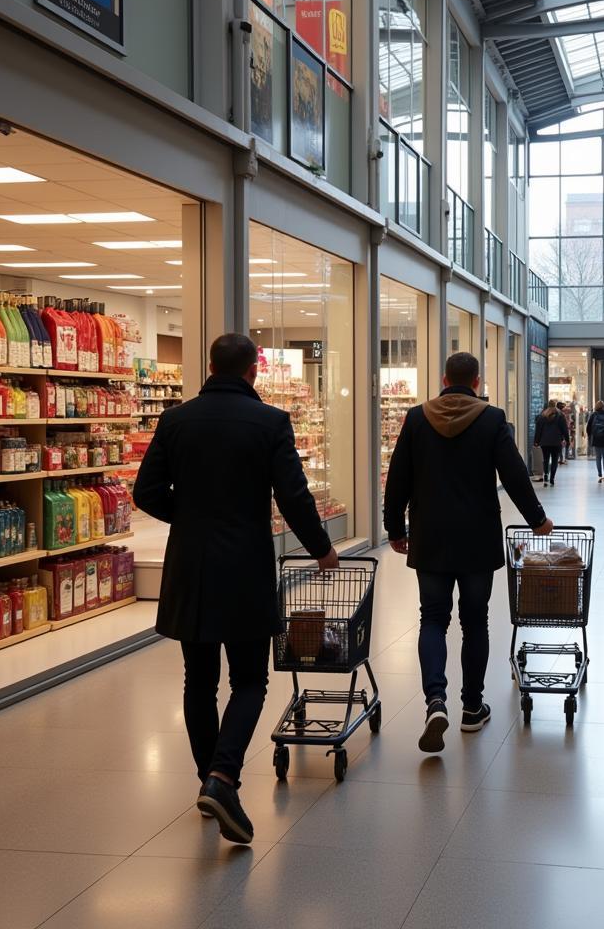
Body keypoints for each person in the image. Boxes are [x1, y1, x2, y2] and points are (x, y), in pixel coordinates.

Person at [133, 334, 338, 846]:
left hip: (190, 568)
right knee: (250, 680)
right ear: (252, 371)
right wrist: (321, 548)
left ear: (208, 367)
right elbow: (293, 495)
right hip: (245, 564)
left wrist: (190, 518)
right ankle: (223, 778)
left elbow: (146, 492)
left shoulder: (175, 420)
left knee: (198, 680)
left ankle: (209, 781)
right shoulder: (269, 422)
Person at [384, 352, 553, 754]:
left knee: (433, 618)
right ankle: (472, 708)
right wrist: (537, 519)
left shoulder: (417, 417)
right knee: (476, 620)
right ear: (477, 381)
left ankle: (435, 701)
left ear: (444, 379)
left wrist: (394, 528)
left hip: (430, 536)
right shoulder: (492, 419)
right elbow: (513, 473)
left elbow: (398, 478)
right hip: (477, 537)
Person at [534, 403, 569, 486]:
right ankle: (552, 478)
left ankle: (546, 474)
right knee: (554, 461)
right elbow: (564, 429)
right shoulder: (560, 416)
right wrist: (567, 440)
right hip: (556, 442)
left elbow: (538, 430)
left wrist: (536, 441)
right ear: (555, 406)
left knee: (546, 459)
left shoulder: (541, 417)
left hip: (544, 442)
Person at [586, 400, 604, 483]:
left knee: (598, 458)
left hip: (597, 439)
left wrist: (589, 435)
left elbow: (589, 427)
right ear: (603, 406)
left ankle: (600, 474)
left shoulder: (594, 415)